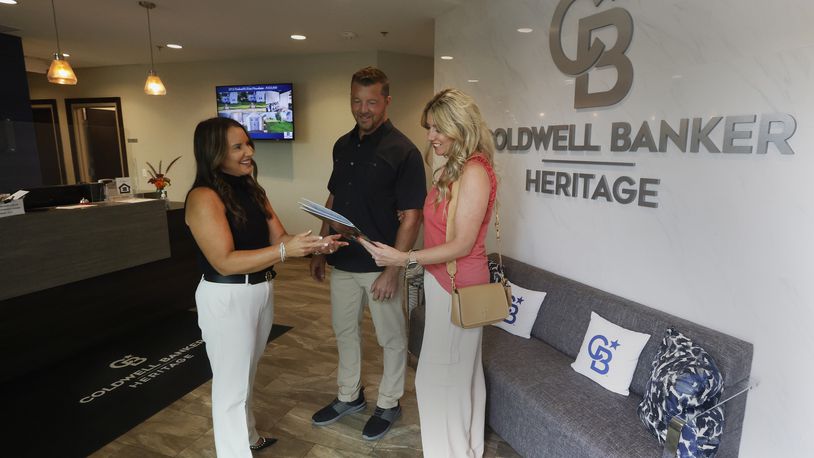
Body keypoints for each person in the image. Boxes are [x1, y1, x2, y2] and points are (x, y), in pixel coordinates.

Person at [185, 117, 345, 457]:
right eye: (238, 146)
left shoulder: (252, 188)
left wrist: (316, 245)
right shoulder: (203, 197)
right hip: (227, 296)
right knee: (231, 388)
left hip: (260, 291)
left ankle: (247, 435)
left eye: (248, 144)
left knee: (247, 374)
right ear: (214, 153)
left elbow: (280, 239)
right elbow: (224, 261)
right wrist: (285, 251)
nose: (249, 152)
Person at [359, 88, 498, 457]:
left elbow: (462, 244)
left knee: (438, 380)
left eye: (437, 128)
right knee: (458, 377)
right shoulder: (455, 167)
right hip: (444, 284)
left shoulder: (473, 172)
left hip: (458, 288)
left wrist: (403, 258)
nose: (430, 136)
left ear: (460, 127)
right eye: (429, 128)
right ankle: (464, 450)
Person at [309, 66, 427, 440]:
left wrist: (394, 269)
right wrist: (320, 248)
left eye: (372, 102)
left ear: (387, 101)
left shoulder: (404, 151)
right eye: (357, 101)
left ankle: (389, 403)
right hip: (343, 259)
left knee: (391, 338)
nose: (364, 109)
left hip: (381, 265)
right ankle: (349, 396)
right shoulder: (342, 145)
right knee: (345, 332)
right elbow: (333, 198)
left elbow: (412, 216)